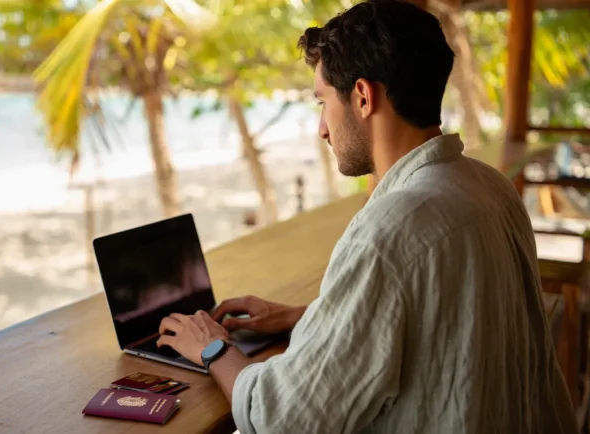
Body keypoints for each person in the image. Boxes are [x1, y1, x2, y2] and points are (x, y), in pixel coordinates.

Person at [156, 1, 578, 433]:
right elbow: (437, 315)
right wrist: (313, 315)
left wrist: (212, 349)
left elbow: (284, 418)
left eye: (322, 102)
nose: (322, 128)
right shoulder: (490, 186)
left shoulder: (390, 228)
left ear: (362, 96)